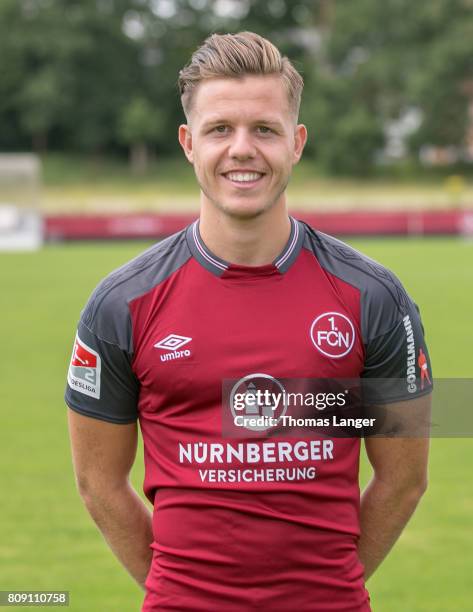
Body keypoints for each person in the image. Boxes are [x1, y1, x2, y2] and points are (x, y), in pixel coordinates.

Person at [66, 31, 432, 611]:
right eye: (220, 130)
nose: (242, 149)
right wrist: (182, 591)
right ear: (188, 143)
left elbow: (404, 478)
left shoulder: (374, 298)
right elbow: (99, 484)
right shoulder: (121, 304)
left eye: (264, 129)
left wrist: (326, 587)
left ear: (297, 142)